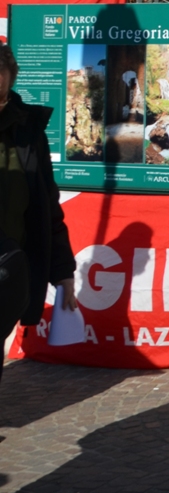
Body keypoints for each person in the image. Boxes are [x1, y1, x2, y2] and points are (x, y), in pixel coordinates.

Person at [0, 40, 77, 385]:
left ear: (9, 78)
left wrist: (63, 272)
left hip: (9, 264)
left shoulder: (28, 131)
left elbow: (47, 204)